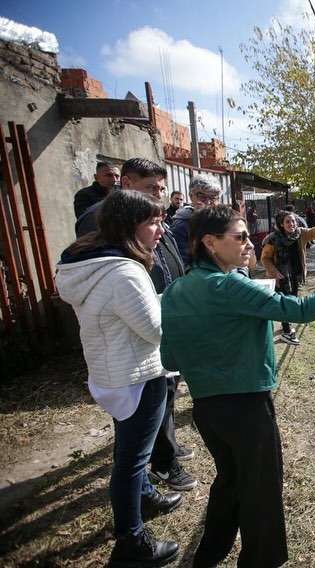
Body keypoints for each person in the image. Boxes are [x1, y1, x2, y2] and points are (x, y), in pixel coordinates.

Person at [160, 206, 315, 567]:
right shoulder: (229, 285)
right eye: (239, 236)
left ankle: (209, 553)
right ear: (210, 242)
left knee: (230, 481)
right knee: (261, 490)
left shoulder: (177, 289)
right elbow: (301, 310)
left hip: (207, 409)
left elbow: (170, 358)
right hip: (247, 408)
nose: (248, 242)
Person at [56, 191, 182, 567]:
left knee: (130, 451)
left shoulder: (89, 262)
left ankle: (144, 495)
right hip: (137, 376)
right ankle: (131, 542)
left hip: (112, 372)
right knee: (130, 459)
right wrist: (178, 308)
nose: (161, 230)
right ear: (130, 227)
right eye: (153, 223)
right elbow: (156, 330)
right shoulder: (125, 272)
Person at [75, 158, 197, 493]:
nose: (159, 194)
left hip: (152, 320)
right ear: (127, 184)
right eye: (151, 188)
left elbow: (168, 255)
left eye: (161, 188)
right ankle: (159, 468)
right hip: (134, 338)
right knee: (139, 424)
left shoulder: (153, 218)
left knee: (165, 398)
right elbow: (114, 279)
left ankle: (164, 453)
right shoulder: (101, 221)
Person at [260, 211, 315, 345]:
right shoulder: (273, 239)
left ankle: (286, 324)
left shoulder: (300, 234)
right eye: (288, 222)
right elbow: (265, 258)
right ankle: (287, 332)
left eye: (293, 221)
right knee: (285, 302)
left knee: (292, 300)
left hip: (295, 274)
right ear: (281, 224)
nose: (292, 224)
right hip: (280, 277)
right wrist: (274, 272)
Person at [170, 174, 223, 264]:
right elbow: (184, 264)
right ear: (191, 196)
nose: (208, 202)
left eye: (213, 197)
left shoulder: (225, 221)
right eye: (202, 196)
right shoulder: (182, 225)